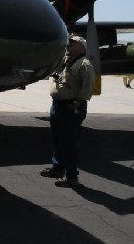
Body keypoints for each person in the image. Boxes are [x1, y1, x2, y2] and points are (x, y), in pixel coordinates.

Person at [41, 34, 95, 188]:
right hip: (57, 106)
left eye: (73, 43)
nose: (69, 45)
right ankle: (57, 169)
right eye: (68, 42)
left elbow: (87, 88)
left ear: (82, 48)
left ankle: (71, 176)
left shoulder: (84, 65)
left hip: (71, 107)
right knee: (58, 139)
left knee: (69, 142)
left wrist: (76, 103)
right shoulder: (65, 61)